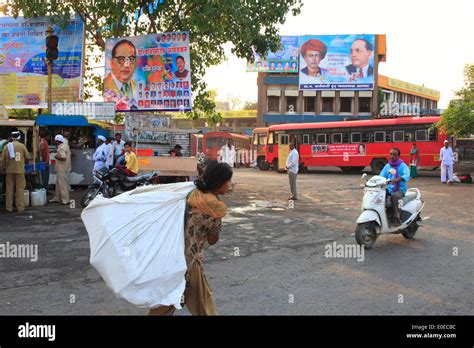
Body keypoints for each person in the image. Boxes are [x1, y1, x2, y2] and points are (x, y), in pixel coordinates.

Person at [147, 161, 233, 316]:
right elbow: (213, 240)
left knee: (166, 303)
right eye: (228, 181)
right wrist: (217, 225)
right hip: (190, 263)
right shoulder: (215, 208)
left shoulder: (191, 195)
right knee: (205, 306)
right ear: (219, 183)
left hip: (173, 259)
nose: (230, 185)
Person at [379, 148, 410, 226]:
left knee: (394, 196)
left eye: (394, 154)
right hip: (389, 188)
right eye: (391, 154)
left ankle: (397, 218)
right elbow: (381, 176)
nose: (392, 156)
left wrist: (399, 178)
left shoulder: (403, 165)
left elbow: (407, 174)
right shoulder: (387, 166)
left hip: (400, 189)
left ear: (399, 156)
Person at [2, 131, 29, 213]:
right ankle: (20, 208)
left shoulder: (7, 146)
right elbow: (27, 156)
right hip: (20, 170)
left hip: (9, 170)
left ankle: (9, 207)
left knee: (9, 189)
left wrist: (3, 168)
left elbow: (3, 160)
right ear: (19, 137)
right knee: (20, 189)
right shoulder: (22, 146)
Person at [49, 135, 71, 205]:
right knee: (58, 184)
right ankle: (56, 198)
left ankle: (65, 200)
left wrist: (56, 156)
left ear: (57, 140)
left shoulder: (61, 148)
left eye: (55, 140)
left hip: (62, 168)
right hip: (63, 167)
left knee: (62, 184)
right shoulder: (65, 145)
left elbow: (63, 158)